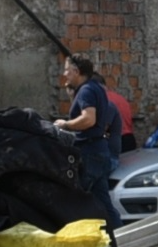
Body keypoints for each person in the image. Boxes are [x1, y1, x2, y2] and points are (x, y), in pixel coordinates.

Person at [51, 54, 129, 216]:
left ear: (76, 71)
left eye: (67, 70)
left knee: (75, 200)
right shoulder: (95, 88)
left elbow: (88, 119)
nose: (65, 74)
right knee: (104, 204)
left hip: (89, 153)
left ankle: (72, 238)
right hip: (99, 152)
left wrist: (64, 125)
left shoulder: (86, 91)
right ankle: (118, 237)